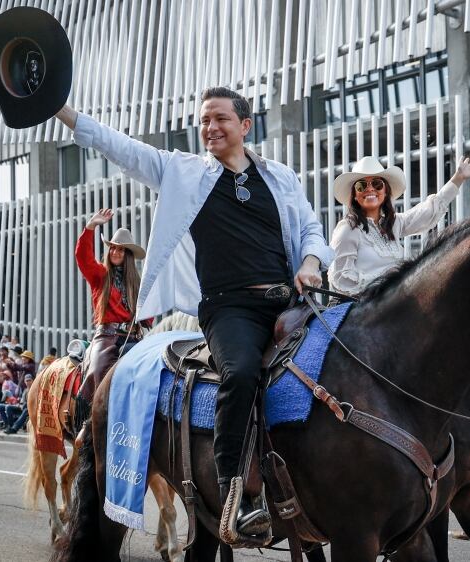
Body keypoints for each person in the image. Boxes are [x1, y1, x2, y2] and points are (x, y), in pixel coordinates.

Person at [55, 86, 332, 540]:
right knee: (241, 373)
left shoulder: (280, 176)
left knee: (347, 365)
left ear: (245, 126)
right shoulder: (182, 172)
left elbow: (310, 228)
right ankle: (234, 494)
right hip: (230, 309)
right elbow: (119, 147)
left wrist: (310, 263)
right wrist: (62, 112)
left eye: (221, 119)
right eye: (204, 120)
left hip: (290, 302)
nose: (210, 127)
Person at [328, 155, 470, 296]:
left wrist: (457, 179)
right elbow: (340, 278)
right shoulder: (348, 228)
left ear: (385, 192)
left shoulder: (393, 223)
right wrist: (389, 279)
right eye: (361, 185)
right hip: (360, 310)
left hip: (390, 305)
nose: (370, 189)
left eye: (377, 184)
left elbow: (425, 212)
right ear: (354, 194)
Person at [75, 208, 148, 403]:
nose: (115, 252)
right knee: (97, 371)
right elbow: (83, 258)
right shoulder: (100, 275)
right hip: (107, 337)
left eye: (121, 249)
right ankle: (89, 423)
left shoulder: (136, 283)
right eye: (113, 248)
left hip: (133, 338)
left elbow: (147, 314)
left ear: (128, 254)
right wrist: (91, 226)